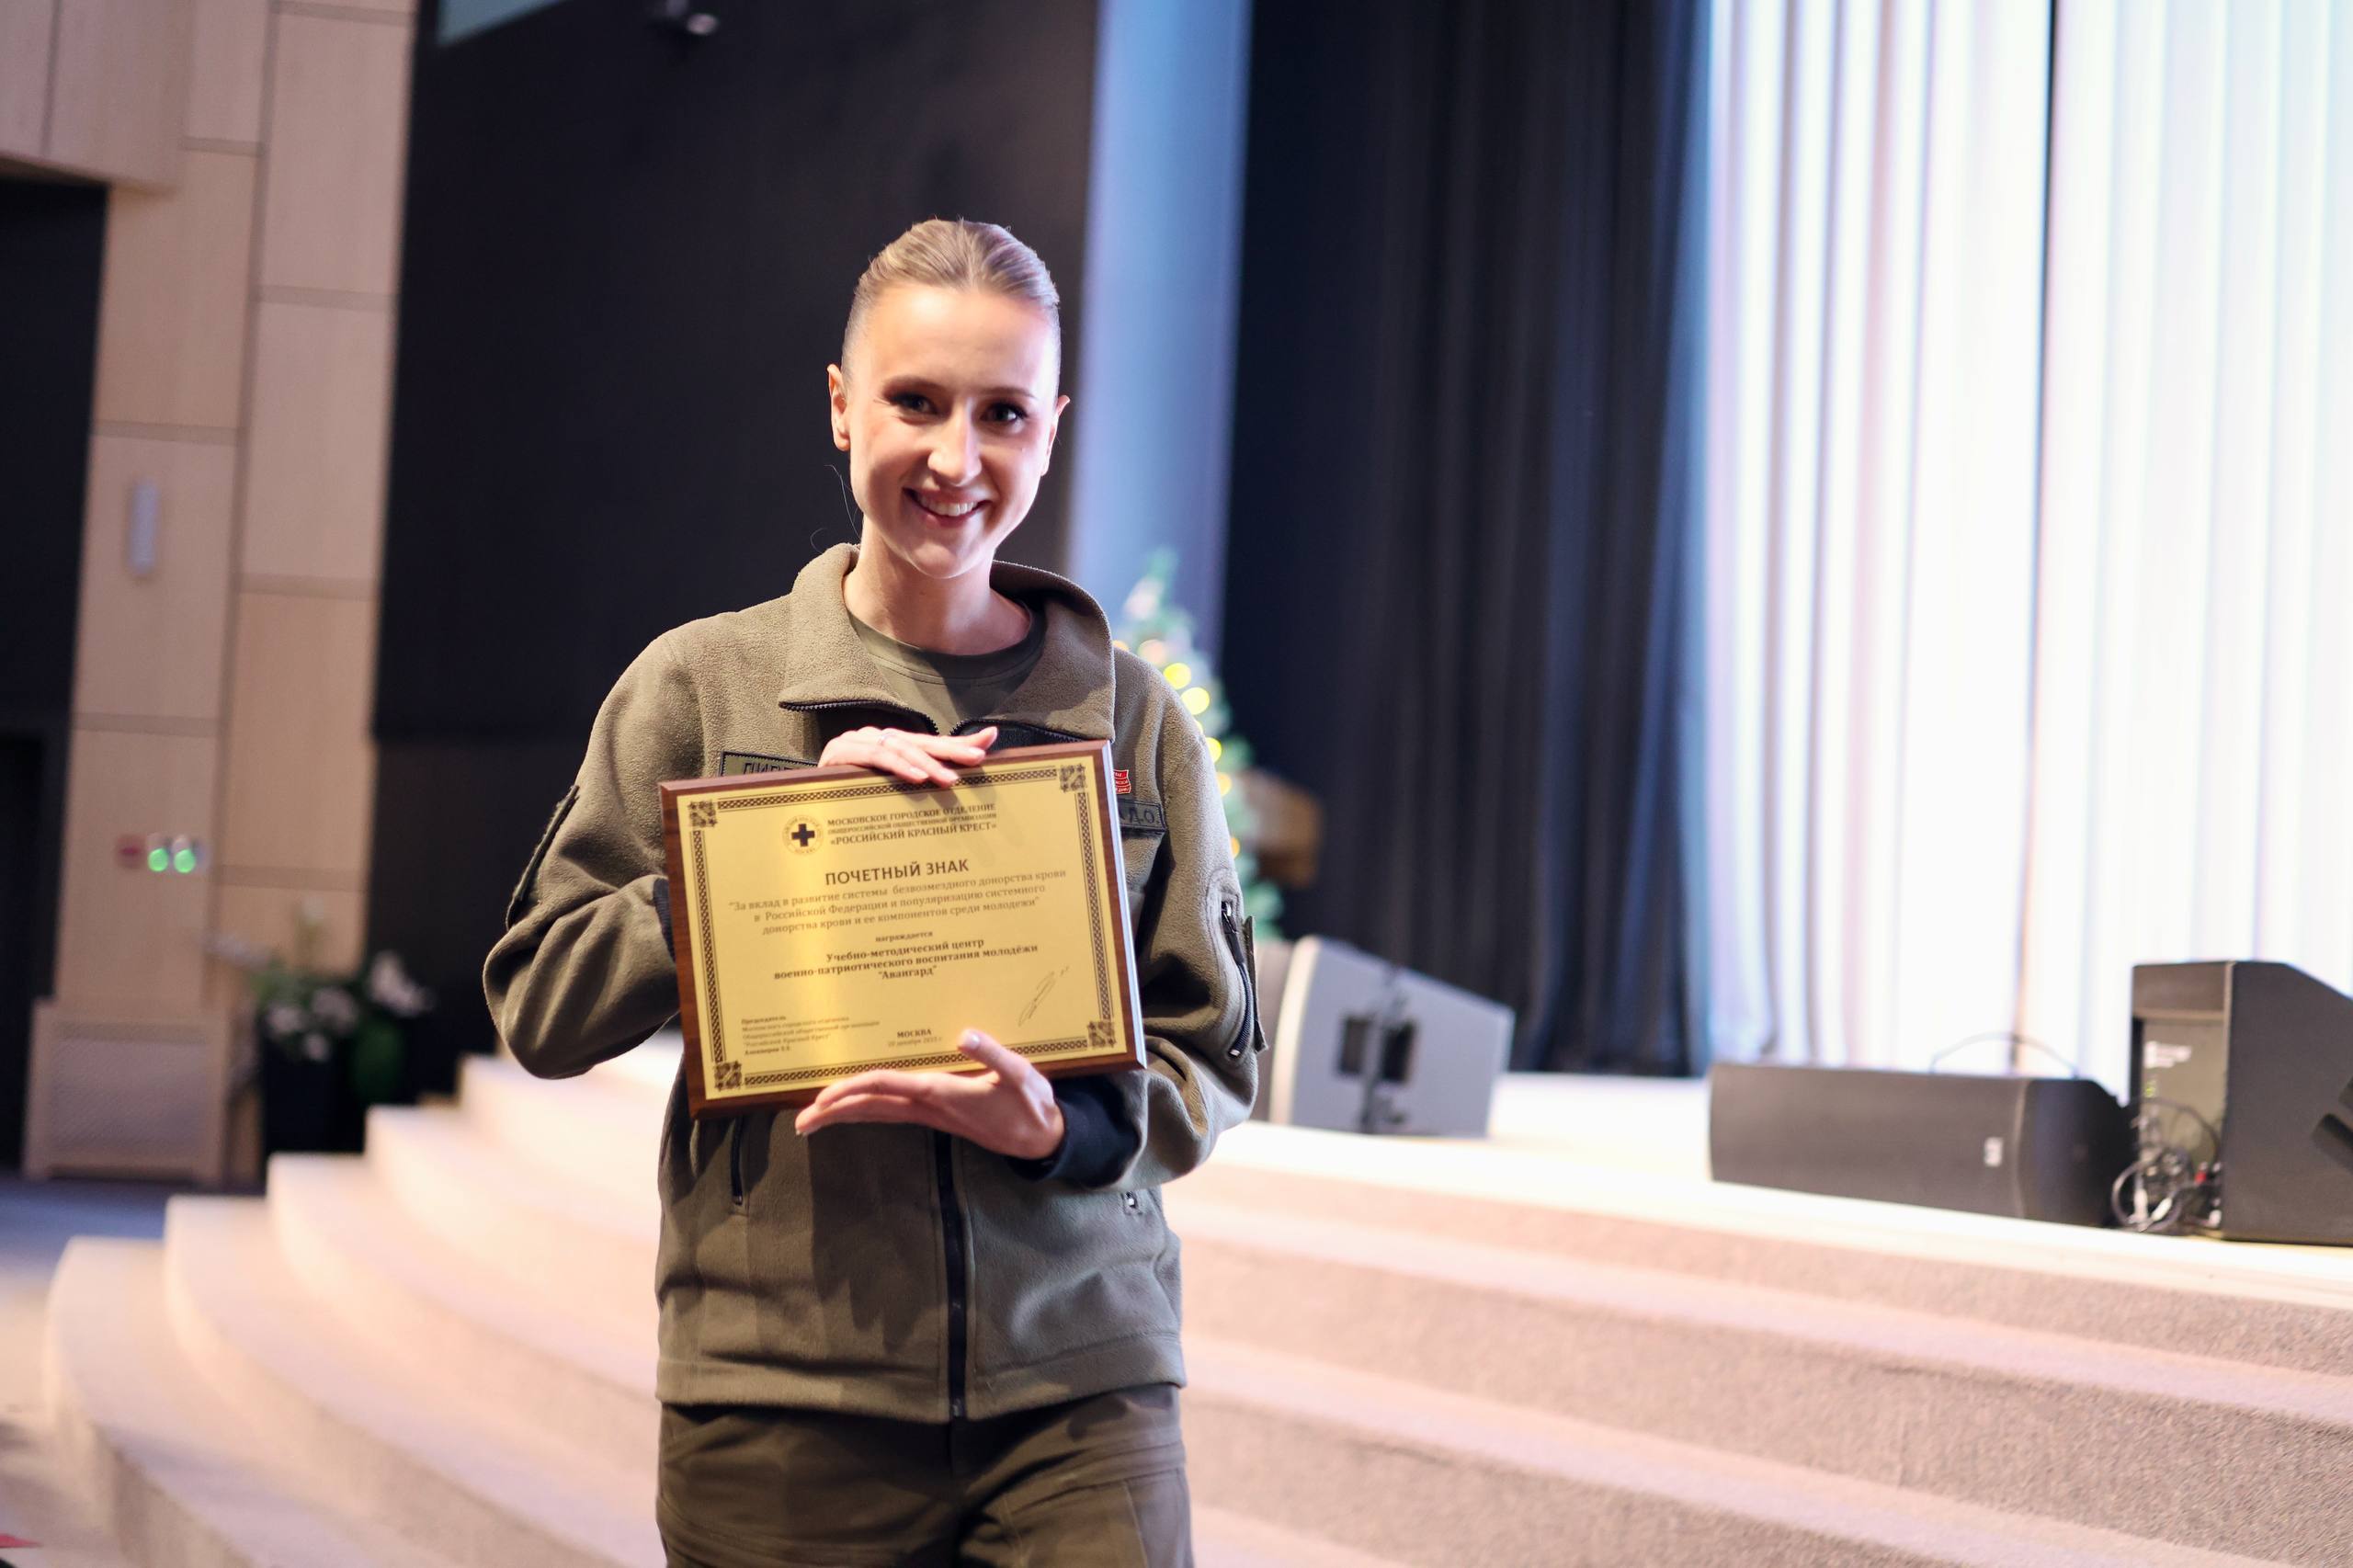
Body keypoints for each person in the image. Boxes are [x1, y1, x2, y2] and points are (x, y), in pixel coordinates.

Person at [483, 217, 1264, 1568]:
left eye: (1003, 413)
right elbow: (542, 1007)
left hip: (1081, 1383)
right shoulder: (701, 688)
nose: (958, 459)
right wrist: (758, 855)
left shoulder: (1134, 724)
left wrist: (1062, 1129)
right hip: (784, 1392)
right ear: (844, 408)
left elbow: (1213, 1052)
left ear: (1052, 429)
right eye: (916, 401)